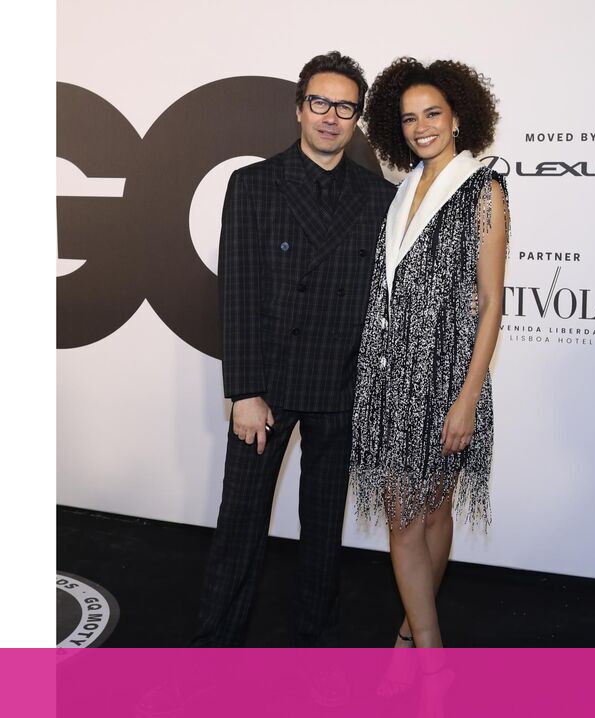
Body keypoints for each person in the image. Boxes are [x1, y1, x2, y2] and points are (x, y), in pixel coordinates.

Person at [190, 51, 397, 647]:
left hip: (341, 385)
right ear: (299, 109)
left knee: (324, 531)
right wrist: (244, 391)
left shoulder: (379, 197)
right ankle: (214, 650)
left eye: (345, 107)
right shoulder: (252, 184)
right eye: (320, 102)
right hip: (268, 387)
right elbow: (238, 291)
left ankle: (315, 648)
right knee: (240, 524)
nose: (331, 117)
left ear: (357, 119)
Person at [350, 57, 507, 649]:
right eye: (409, 118)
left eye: (433, 114)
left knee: (430, 514)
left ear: (458, 117)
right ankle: (419, 641)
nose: (421, 127)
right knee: (411, 516)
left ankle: (421, 647)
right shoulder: (401, 193)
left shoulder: (483, 188)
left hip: (446, 380)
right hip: (390, 381)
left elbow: (491, 302)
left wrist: (467, 398)